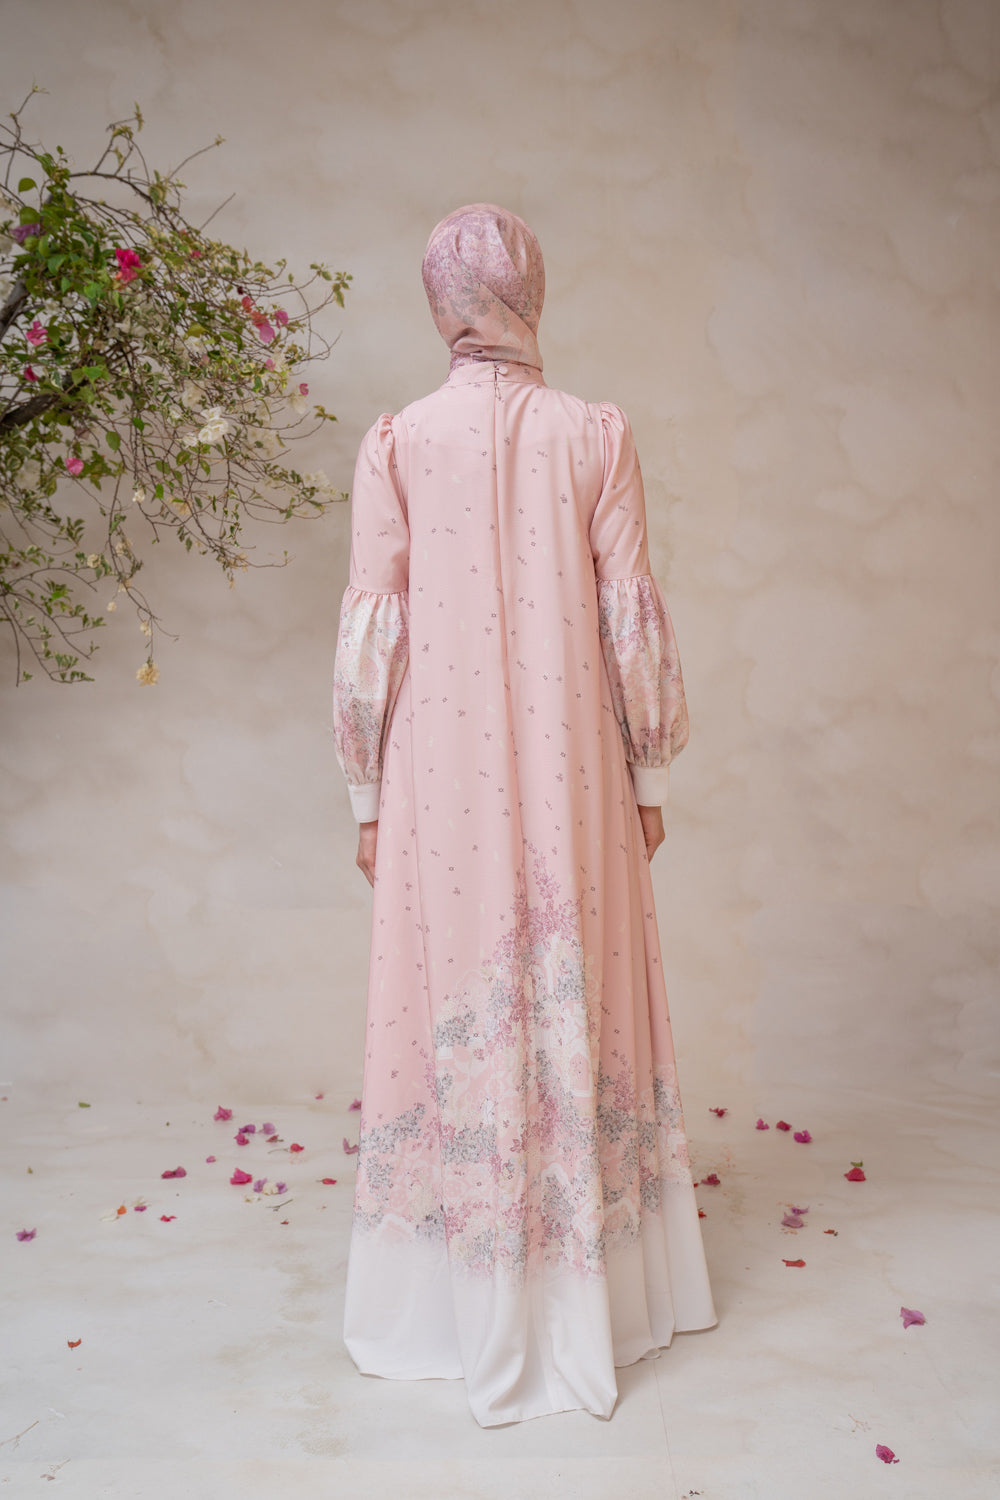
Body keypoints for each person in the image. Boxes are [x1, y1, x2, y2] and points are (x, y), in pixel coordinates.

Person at [332, 202, 717, 1428]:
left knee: (448, 991)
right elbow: (628, 614)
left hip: (433, 772)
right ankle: (593, 1290)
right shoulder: (592, 434)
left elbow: (374, 628)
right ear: (530, 292)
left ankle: (456, 1300)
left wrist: (364, 794)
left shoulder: (397, 443)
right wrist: (648, 776)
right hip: (574, 767)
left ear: (438, 300)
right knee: (576, 977)